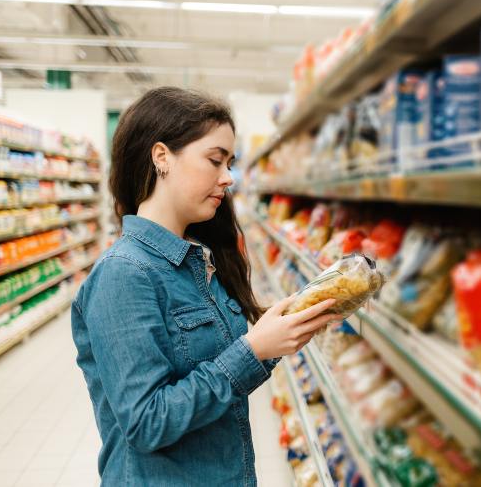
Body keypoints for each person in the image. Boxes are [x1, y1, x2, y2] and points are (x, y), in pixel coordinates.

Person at [71, 87, 337, 486]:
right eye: (215, 160)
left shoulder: (198, 258)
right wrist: (252, 350)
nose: (228, 177)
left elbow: (215, 369)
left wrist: (281, 333)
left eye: (230, 162)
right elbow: (146, 423)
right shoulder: (124, 274)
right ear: (162, 157)